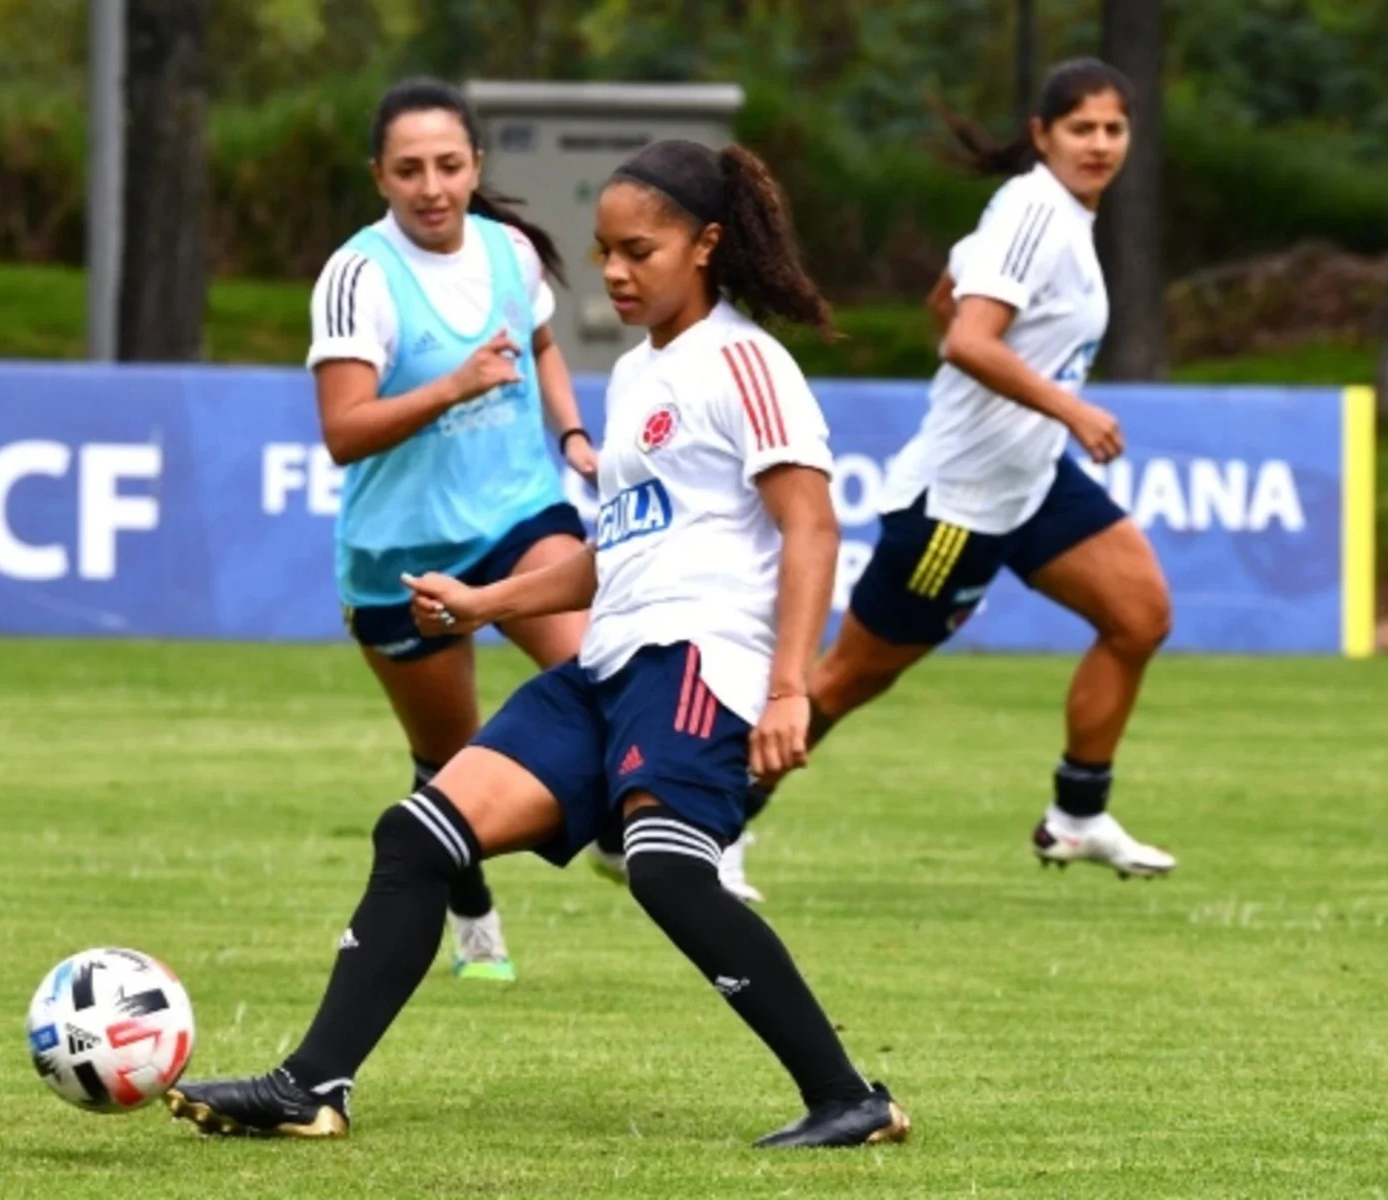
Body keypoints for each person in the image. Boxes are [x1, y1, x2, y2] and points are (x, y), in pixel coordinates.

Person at [166, 138, 909, 1150]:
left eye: (637, 250)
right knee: (416, 835)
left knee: (665, 866)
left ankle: (847, 1095)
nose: (613, 271)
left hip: (698, 662)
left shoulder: (744, 361)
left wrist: (789, 689)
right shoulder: (641, 375)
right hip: (607, 665)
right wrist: (488, 602)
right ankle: (312, 1086)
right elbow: (614, 547)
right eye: (603, 251)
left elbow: (811, 524)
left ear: (706, 245)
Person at [745, 58, 1176, 884]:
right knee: (844, 681)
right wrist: (1072, 408)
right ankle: (705, 826)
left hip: (1032, 479)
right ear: (1042, 135)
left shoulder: (1053, 215)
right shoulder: (1036, 213)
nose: (1098, 144)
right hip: (958, 503)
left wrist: (1039, 417)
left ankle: (1078, 814)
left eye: (1113, 128)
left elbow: (948, 296)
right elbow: (966, 339)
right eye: (1080, 128)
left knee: (1140, 616)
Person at [306, 78, 598, 981]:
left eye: (447, 165)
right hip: (404, 557)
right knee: (448, 756)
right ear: (379, 179)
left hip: (519, 515)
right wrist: (452, 387)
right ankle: (469, 902)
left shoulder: (512, 250)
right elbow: (344, 433)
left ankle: (648, 834)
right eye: (409, 170)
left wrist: (574, 435)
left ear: (476, 165)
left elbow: (541, 345)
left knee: (606, 673)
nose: (431, 187)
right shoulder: (358, 277)